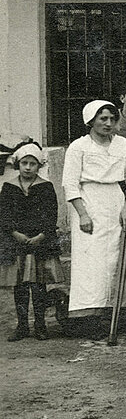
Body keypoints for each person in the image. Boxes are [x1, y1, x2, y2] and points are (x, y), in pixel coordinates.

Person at [1, 144, 62, 340]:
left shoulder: (45, 187)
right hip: (17, 242)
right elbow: (3, 214)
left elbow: (51, 214)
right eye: (24, 163)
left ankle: (41, 324)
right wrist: (14, 232)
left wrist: (42, 235)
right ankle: (22, 326)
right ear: (18, 165)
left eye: (32, 164)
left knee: (38, 285)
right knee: (20, 285)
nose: (28, 167)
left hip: (39, 243)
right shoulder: (9, 187)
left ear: (39, 166)